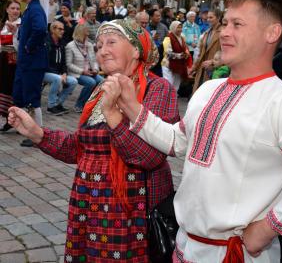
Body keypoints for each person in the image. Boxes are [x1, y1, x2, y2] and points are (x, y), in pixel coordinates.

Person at [104, 0, 282, 263]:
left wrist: (269, 227)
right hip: (186, 247)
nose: (225, 32)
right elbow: (177, 141)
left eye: (238, 24)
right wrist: (132, 107)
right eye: (225, 23)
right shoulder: (209, 90)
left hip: (238, 254)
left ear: (272, 32)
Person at [8, 19, 180, 263]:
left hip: (131, 210)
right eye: (98, 46)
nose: (102, 50)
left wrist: (113, 116)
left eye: (111, 42)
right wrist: (37, 133)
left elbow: (150, 157)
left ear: (135, 48)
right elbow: (79, 148)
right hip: (89, 204)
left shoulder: (158, 88)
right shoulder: (98, 91)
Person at [13, 0, 48, 147]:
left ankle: (38, 135)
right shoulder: (32, 8)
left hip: (32, 61)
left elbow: (40, 29)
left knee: (33, 97)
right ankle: (32, 131)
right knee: (26, 96)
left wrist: (28, 47)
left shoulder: (34, 9)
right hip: (29, 61)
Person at [66, 24, 103, 113]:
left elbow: (94, 61)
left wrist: (95, 69)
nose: (88, 34)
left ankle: (90, 103)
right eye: (86, 33)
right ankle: (79, 105)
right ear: (81, 33)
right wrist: (82, 71)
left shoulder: (89, 45)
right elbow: (69, 64)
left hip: (89, 71)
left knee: (102, 81)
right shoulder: (70, 46)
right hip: (76, 73)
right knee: (91, 82)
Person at [44, 21, 77, 115]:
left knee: (73, 81)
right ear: (53, 29)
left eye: (63, 29)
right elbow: (44, 63)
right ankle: (51, 106)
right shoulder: (46, 42)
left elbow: (63, 62)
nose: (63, 31)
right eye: (60, 29)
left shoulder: (62, 43)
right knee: (57, 79)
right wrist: (58, 74)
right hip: (44, 72)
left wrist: (64, 73)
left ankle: (58, 104)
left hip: (57, 73)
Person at [0, 0, 21, 131]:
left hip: (14, 62)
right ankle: (7, 119)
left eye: (17, 8)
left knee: (11, 90)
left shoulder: (22, 25)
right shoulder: (2, 24)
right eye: (12, 8)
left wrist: (14, 34)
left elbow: (21, 46)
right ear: (7, 10)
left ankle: (13, 120)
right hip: (2, 60)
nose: (15, 11)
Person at [191, 8, 222, 93]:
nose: (208, 20)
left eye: (211, 17)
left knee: (209, 97)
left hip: (216, 71)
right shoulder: (207, 32)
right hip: (202, 70)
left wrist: (213, 62)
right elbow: (200, 53)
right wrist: (194, 67)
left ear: (218, 18)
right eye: (207, 17)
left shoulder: (223, 32)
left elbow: (227, 53)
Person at [162, 21, 192, 92]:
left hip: (179, 65)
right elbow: (168, 53)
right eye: (178, 27)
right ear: (173, 28)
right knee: (168, 85)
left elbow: (185, 48)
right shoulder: (167, 38)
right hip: (168, 65)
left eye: (181, 27)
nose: (180, 29)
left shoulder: (182, 38)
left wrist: (186, 54)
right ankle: (167, 101)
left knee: (176, 86)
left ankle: (173, 100)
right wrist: (180, 56)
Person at [147, 8, 169, 77]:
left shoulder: (164, 27)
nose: (159, 17)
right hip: (149, 53)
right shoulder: (146, 26)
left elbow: (167, 38)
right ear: (151, 17)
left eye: (159, 16)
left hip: (160, 52)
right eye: (156, 16)